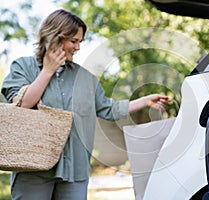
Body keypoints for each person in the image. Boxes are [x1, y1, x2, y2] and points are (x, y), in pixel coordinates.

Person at [1, 9, 171, 200]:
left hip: (76, 170)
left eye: (80, 42)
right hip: (33, 170)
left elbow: (108, 108)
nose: (78, 48)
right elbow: (22, 105)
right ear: (54, 37)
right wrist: (48, 71)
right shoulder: (22, 67)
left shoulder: (87, 79)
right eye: (73, 41)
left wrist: (144, 101)